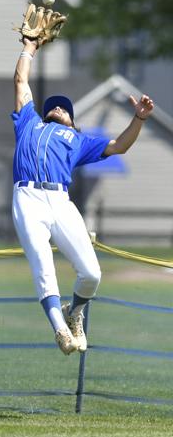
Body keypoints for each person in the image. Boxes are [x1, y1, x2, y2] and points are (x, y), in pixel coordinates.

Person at [11, 37, 154, 356]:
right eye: (54, 106)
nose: (58, 107)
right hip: (28, 197)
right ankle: (60, 330)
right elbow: (21, 80)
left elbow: (119, 145)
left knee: (92, 273)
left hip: (60, 202)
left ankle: (73, 312)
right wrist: (30, 49)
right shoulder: (29, 122)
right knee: (43, 265)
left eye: (65, 107)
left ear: (73, 121)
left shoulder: (78, 139)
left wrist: (139, 119)